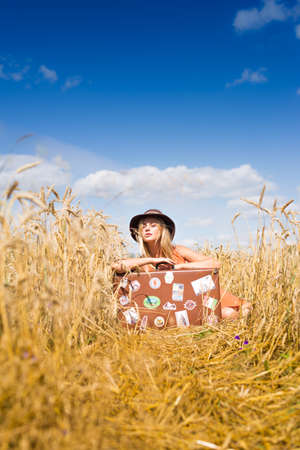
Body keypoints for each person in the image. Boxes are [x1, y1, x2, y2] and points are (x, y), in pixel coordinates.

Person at [113, 209, 249, 319]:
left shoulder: (177, 251)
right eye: (143, 226)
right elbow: (116, 266)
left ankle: (243, 310)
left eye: (153, 225)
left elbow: (215, 263)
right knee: (226, 315)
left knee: (233, 312)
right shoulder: (142, 262)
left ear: (162, 230)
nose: (147, 229)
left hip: (201, 299)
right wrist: (151, 260)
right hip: (177, 310)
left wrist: (180, 267)